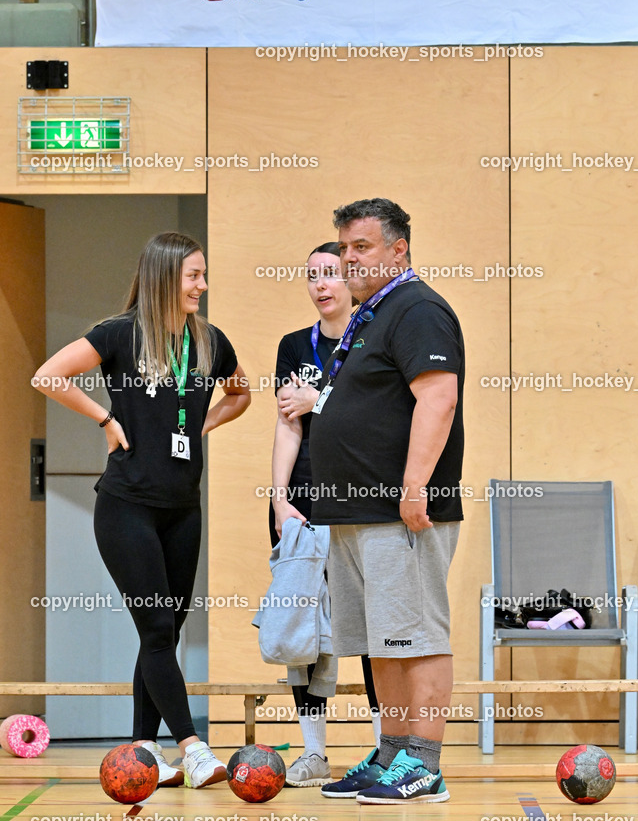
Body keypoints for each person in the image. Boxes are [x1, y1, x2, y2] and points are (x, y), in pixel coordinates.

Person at [32, 232, 250, 790]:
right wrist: (106, 421)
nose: (203, 285)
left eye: (204, 274)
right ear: (163, 277)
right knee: (156, 626)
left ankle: (144, 748)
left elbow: (241, 393)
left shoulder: (210, 342)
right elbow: (48, 376)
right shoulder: (119, 334)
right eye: (193, 276)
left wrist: (199, 423)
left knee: (164, 632)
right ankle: (194, 748)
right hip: (127, 507)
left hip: (183, 508)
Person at [308, 199, 465, 804]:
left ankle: (423, 764)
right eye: (344, 248)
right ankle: (393, 752)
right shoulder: (371, 314)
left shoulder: (417, 309)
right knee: (384, 642)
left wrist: (414, 486)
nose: (349, 258)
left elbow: (438, 400)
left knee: (417, 636)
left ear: (398, 249)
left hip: (399, 510)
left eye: (362, 247)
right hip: (354, 513)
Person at [270, 242, 381, 787]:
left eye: (331, 274)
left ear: (350, 278)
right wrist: (278, 496)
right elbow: (288, 422)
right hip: (305, 503)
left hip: (363, 499)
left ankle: (389, 750)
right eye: (311, 275)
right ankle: (313, 752)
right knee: (303, 628)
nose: (321, 285)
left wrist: (323, 404)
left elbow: (379, 418)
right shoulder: (295, 347)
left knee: (369, 627)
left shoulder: (372, 340)